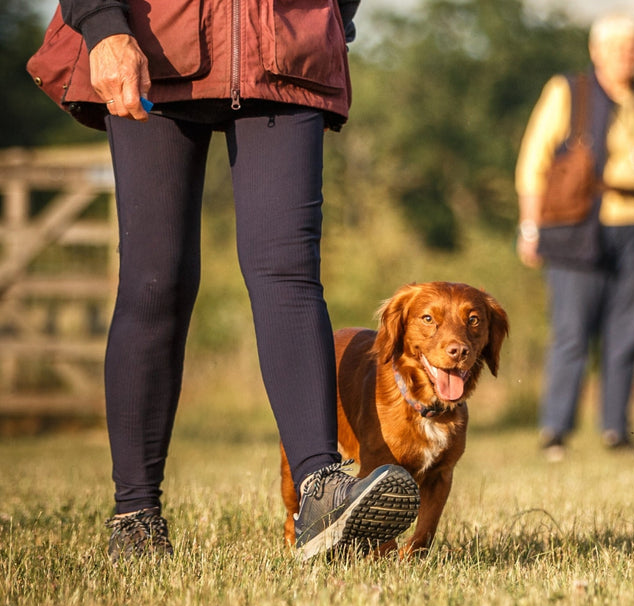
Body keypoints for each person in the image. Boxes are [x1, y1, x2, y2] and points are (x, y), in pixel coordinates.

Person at [49, 0, 419, 560]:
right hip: (155, 41)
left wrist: (329, 17)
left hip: (283, 47)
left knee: (290, 274)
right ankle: (136, 516)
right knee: (156, 282)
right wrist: (102, 26)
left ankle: (321, 490)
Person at [515, 12, 634, 461]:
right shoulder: (568, 91)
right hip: (576, 227)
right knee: (572, 333)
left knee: (627, 334)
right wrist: (530, 227)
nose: (625, 55)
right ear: (595, 52)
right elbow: (533, 162)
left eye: (632, 47)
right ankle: (555, 432)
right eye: (615, 47)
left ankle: (617, 430)